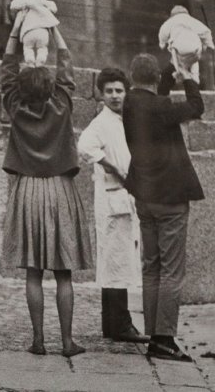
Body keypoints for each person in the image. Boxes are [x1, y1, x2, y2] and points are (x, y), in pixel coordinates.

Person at [0, 18, 93, 358]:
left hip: (27, 190)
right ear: (52, 87)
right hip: (60, 189)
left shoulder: (15, 106)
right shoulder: (62, 105)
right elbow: (67, 68)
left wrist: (16, 29)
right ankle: (67, 342)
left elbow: (6, 72)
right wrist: (53, 28)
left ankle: (38, 340)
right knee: (63, 274)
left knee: (34, 273)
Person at [122, 54, 204, 362]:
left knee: (151, 267)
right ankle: (165, 339)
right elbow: (196, 106)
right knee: (172, 270)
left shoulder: (130, 103)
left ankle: (154, 334)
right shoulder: (161, 108)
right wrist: (189, 77)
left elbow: (159, 93)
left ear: (131, 77)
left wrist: (173, 66)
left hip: (144, 197)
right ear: (155, 78)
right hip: (170, 199)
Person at [78, 68, 149, 343]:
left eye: (119, 90)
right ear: (101, 94)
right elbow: (85, 147)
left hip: (124, 196)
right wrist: (112, 166)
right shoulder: (101, 123)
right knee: (115, 260)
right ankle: (120, 324)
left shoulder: (125, 119)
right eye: (109, 91)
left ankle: (112, 323)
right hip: (112, 197)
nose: (115, 96)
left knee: (117, 260)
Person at [158, 5, 215, 84]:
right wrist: (209, 44)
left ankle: (180, 72)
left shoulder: (171, 21)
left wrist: (162, 43)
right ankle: (195, 75)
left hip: (179, 50)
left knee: (177, 59)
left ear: (172, 15)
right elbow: (206, 32)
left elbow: (163, 32)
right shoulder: (192, 20)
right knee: (194, 61)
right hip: (195, 49)